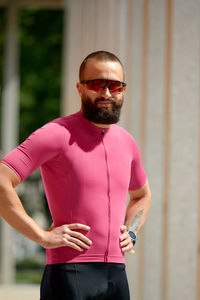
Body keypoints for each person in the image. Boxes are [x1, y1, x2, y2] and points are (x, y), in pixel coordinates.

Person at [0, 50, 151, 300]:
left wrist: (132, 231)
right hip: (69, 273)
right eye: (96, 84)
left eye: (114, 85)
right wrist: (41, 236)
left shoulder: (127, 142)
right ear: (80, 88)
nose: (106, 93)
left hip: (116, 275)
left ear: (123, 89)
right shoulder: (56, 133)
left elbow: (142, 195)